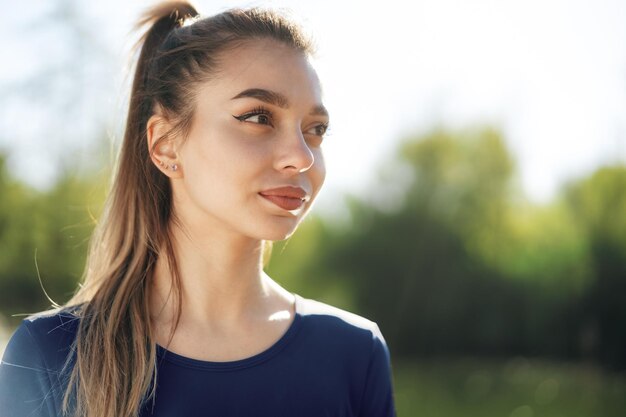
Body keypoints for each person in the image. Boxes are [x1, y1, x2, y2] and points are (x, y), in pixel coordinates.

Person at [0, 2, 396, 416]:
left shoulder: (354, 352)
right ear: (165, 144)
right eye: (259, 117)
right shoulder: (52, 355)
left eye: (315, 129)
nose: (301, 156)